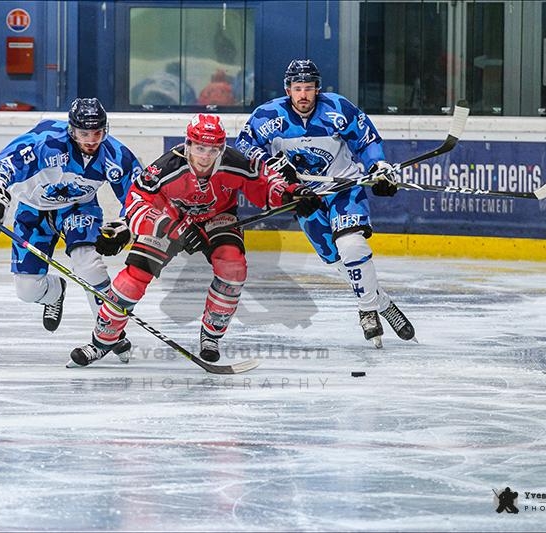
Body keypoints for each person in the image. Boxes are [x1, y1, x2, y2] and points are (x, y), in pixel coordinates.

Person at [69, 114, 319, 366]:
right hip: (170, 219)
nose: (205, 157)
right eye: (200, 148)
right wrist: (169, 226)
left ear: (222, 148)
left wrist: (291, 194)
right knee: (133, 278)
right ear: (188, 144)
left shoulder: (234, 162)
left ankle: (211, 336)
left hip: (217, 217)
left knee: (233, 268)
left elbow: (266, 183)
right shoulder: (166, 167)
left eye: (213, 150)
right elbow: (136, 202)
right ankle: (102, 341)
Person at [234, 59, 415, 348]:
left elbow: (366, 141)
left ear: (317, 88)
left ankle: (367, 310)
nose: (303, 94)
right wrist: (272, 163)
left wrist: (378, 167)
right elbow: (244, 145)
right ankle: (381, 303)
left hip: (344, 189)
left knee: (351, 245)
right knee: (337, 259)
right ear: (287, 90)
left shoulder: (338, 108)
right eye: (297, 88)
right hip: (304, 197)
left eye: (308, 88)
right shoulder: (268, 116)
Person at [0, 97, 141, 361]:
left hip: (78, 208)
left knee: (88, 264)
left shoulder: (114, 154)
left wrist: (126, 225)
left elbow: (139, 194)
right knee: (27, 290)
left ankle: (109, 330)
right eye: (84, 133)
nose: (91, 140)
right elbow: (2, 165)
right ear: (72, 130)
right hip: (32, 211)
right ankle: (55, 292)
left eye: (97, 133)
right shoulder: (45, 141)